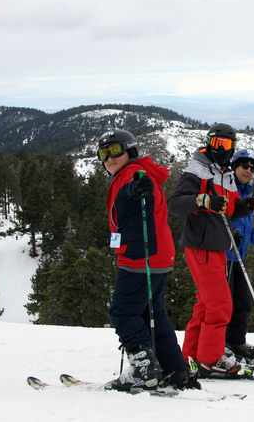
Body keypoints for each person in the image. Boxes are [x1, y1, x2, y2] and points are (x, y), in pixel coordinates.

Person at [98, 129, 198, 392]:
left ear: (130, 151)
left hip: (140, 256)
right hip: (156, 256)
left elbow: (138, 195)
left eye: (114, 151)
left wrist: (132, 190)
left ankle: (144, 369)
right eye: (103, 154)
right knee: (152, 314)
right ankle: (175, 370)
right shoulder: (135, 173)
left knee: (123, 311)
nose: (109, 158)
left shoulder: (133, 175)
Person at [167, 123, 254, 378]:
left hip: (219, 246)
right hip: (201, 246)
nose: (220, 148)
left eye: (227, 144)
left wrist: (248, 205)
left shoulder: (225, 173)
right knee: (220, 304)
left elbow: (230, 210)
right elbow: (174, 204)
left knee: (206, 305)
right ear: (209, 142)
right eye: (216, 142)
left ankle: (192, 357)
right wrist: (202, 200)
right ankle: (211, 357)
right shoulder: (197, 170)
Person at [225, 149, 254, 363]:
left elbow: (246, 226)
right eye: (244, 166)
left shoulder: (248, 193)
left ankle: (236, 341)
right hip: (224, 255)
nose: (248, 171)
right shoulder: (228, 188)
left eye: (252, 168)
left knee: (242, 301)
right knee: (224, 303)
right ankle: (220, 343)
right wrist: (232, 235)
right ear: (235, 166)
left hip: (238, 256)